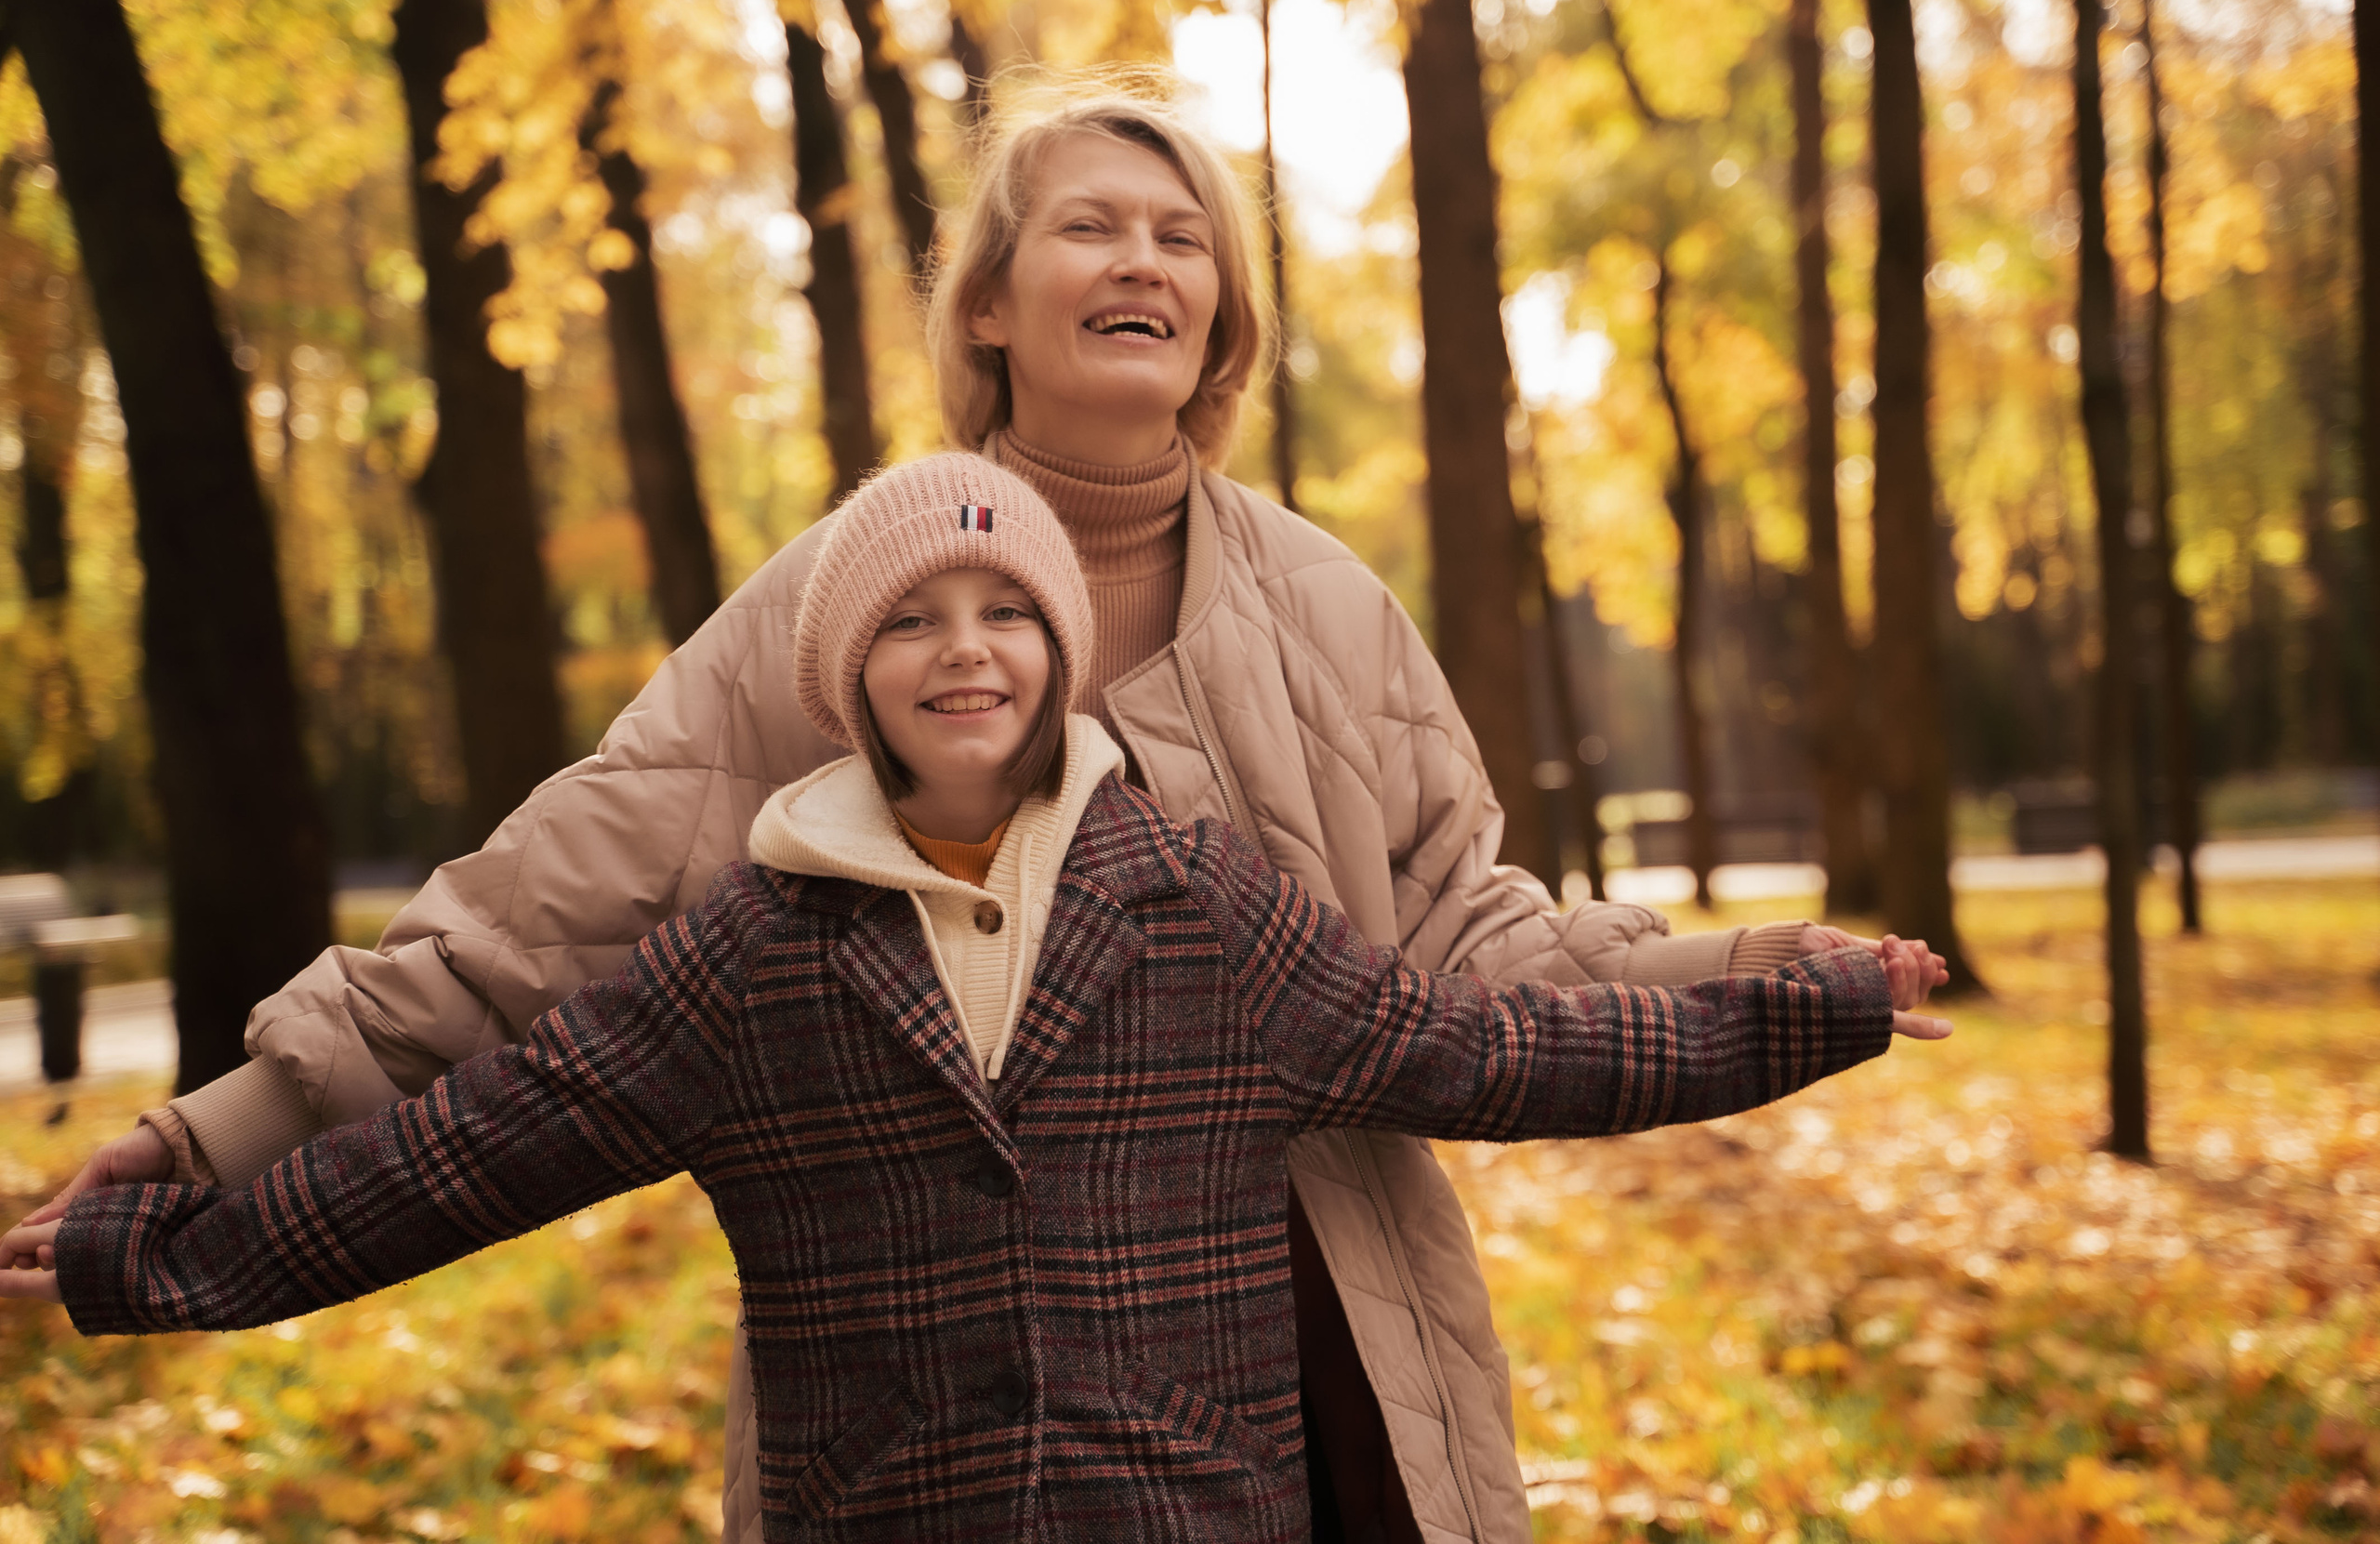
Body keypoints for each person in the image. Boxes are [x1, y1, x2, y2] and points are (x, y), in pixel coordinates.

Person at [14, 87, 1947, 1541]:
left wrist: (1777, 969)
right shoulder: (827, 605)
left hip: (1312, 1337)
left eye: (1182, 239)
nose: (1142, 265)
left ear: (1223, 318)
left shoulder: (1327, 609)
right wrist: (215, 1134)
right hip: (921, 1380)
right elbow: (531, 932)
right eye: (1089, 229)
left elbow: (1481, 967)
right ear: (992, 306)